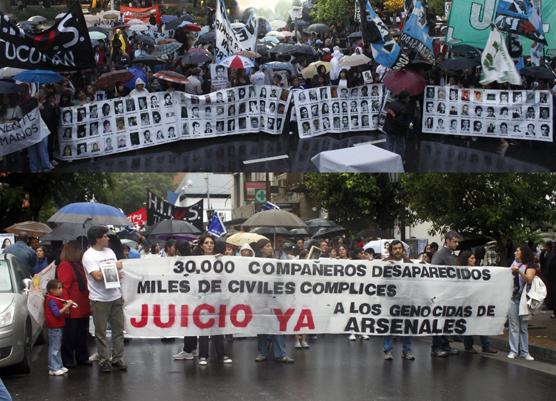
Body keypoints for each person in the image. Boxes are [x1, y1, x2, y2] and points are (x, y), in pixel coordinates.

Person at [82, 226, 127, 373]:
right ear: (97, 238)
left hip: (115, 296)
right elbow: (97, 276)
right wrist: (114, 266)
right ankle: (104, 360)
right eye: (105, 236)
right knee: (101, 332)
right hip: (99, 299)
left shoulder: (110, 252)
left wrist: (121, 293)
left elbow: (118, 275)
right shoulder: (88, 256)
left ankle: (117, 358)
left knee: (118, 330)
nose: (108, 238)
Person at [192, 234, 232, 365]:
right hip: (203, 298)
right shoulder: (196, 261)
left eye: (211, 243)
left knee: (218, 328)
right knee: (203, 327)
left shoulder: (219, 260)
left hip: (217, 297)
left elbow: (225, 278)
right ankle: (203, 355)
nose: (209, 245)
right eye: (207, 243)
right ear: (202, 246)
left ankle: (221, 354)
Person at [254, 238, 294, 363]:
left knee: (277, 326)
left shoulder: (276, 261)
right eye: (267, 246)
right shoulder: (254, 262)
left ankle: (281, 354)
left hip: (276, 298)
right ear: (261, 249)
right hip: (261, 298)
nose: (270, 247)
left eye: (270, 245)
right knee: (262, 326)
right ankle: (262, 353)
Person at [456, 250, 497, 354]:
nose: (474, 260)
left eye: (474, 258)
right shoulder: (461, 272)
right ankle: (468, 346)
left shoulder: (478, 271)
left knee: (482, 322)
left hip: (478, 301)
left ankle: (486, 346)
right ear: (466, 259)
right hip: (467, 302)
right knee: (468, 324)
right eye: (472, 258)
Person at [57, 240, 91, 368]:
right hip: (73, 306)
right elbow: (64, 287)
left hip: (82, 305)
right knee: (70, 335)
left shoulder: (78, 265)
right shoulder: (65, 265)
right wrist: (66, 305)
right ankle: (67, 359)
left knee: (82, 334)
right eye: (79, 250)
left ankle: (82, 357)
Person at [430, 231, 463, 357]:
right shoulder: (440, 254)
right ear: (447, 241)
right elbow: (432, 270)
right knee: (438, 321)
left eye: (457, 241)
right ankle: (436, 347)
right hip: (440, 293)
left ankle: (445, 345)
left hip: (448, 293)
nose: (457, 243)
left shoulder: (450, 254)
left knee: (445, 321)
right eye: (454, 241)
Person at [382, 240, 415, 361]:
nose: (397, 250)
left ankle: (407, 350)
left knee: (407, 326)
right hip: (390, 300)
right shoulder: (385, 263)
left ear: (403, 250)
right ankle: (388, 350)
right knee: (389, 325)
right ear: (391, 250)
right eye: (395, 248)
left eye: (399, 248)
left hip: (406, 299)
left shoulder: (409, 263)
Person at [508, 244, 538, 360]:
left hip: (524, 299)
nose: (515, 252)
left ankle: (525, 352)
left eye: (517, 251)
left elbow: (529, 279)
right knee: (514, 325)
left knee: (523, 326)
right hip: (513, 298)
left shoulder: (530, 265)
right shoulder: (513, 263)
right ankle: (513, 351)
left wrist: (519, 272)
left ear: (523, 253)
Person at [45, 279, 75, 376]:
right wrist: (67, 306)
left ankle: (58, 365)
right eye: (58, 288)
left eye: (61, 287)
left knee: (57, 347)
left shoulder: (57, 299)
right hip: (54, 326)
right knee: (55, 348)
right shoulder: (51, 300)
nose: (61, 290)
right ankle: (54, 367)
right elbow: (57, 313)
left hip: (58, 325)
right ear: (51, 290)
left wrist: (66, 305)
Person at [383, 91, 412, 159]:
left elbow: (390, 116)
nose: (409, 99)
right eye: (408, 98)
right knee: (400, 146)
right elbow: (401, 121)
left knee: (389, 146)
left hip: (388, 129)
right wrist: (410, 126)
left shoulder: (391, 104)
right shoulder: (404, 108)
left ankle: (388, 159)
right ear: (404, 98)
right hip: (398, 132)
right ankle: (400, 160)